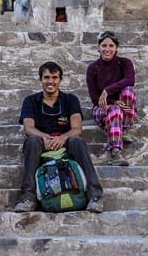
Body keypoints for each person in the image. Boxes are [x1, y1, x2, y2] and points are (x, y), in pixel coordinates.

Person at [13, 61, 104, 214]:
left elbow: (77, 128)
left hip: (66, 143)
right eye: (46, 77)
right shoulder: (30, 101)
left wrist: (62, 138)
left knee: (77, 141)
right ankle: (28, 197)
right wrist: (46, 138)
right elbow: (28, 128)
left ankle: (95, 196)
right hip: (42, 143)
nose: (50, 81)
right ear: (40, 79)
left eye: (54, 77)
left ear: (60, 80)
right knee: (32, 141)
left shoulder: (70, 100)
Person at [86, 30, 138, 166]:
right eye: (104, 46)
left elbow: (130, 79)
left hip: (123, 108)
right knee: (115, 111)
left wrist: (107, 90)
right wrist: (112, 103)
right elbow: (94, 98)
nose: (107, 49)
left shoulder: (125, 63)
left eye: (111, 46)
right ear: (99, 48)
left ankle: (123, 129)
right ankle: (115, 153)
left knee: (128, 91)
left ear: (116, 48)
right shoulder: (93, 68)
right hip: (102, 108)